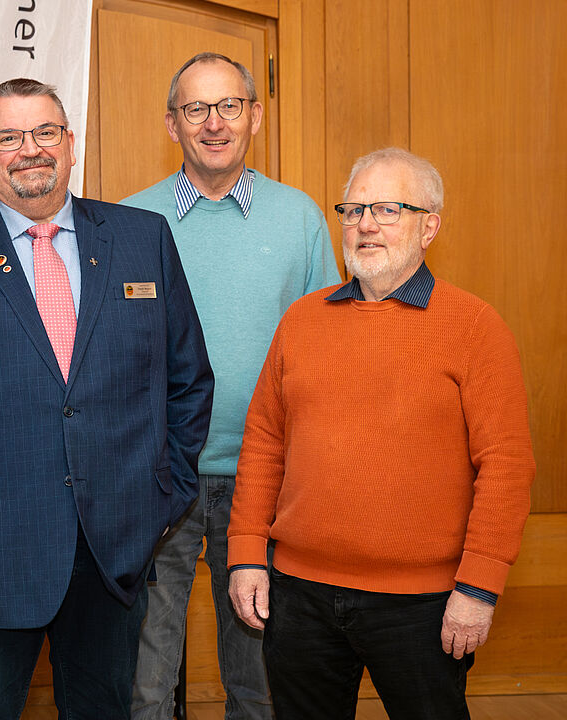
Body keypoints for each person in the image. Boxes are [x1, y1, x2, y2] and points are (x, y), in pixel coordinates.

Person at [0, 77, 215, 720]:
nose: (29, 149)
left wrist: (159, 498)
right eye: (8, 136)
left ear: (71, 143)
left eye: (44, 132)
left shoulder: (143, 238)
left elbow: (188, 381)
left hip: (112, 551)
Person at [227, 147, 536, 719]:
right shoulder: (301, 319)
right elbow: (265, 442)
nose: (365, 224)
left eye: (388, 209)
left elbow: (507, 465)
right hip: (298, 595)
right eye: (353, 209)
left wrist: (478, 587)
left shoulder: (473, 325)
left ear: (429, 227)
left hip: (423, 605)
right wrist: (246, 554)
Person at [122, 52, 339, 720]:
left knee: (260, 677)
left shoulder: (299, 217)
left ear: (256, 115)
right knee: (147, 678)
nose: (214, 123)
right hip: (162, 479)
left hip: (267, 481)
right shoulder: (130, 222)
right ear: (171, 123)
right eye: (196, 108)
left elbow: (328, 351)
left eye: (229, 106)